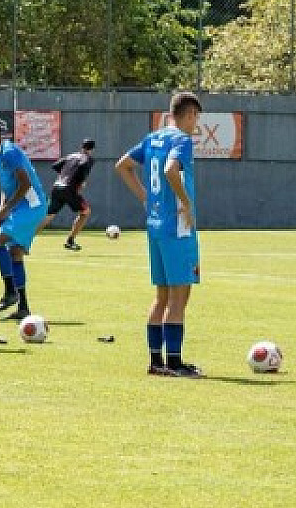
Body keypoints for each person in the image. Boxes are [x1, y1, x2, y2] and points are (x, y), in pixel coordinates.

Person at [115, 91, 204, 378]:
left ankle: (156, 361)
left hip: (154, 224)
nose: (196, 124)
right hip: (177, 227)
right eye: (196, 118)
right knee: (180, 295)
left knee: (162, 296)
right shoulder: (182, 140)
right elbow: (170, 170)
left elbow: (123, 166)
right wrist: (187, 204)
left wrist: (146, 197)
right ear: (189, 115)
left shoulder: (153, 138)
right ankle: (175, 363)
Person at [0, 118, 48, 322]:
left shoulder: (9, 152)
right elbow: (7, 185)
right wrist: (2, 204)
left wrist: (7, 208)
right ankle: (23, 306)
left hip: (32, 207)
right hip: (22, 207)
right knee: (15, 253)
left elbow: (24, 184)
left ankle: (10, 292)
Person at [40, 139, 97, 250]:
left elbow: (55, 166)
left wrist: (65, 174)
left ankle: (25, 237)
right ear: (92, 149)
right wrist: (81, 182)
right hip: (69, 188)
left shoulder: (71, 156)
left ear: (82, 147)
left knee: (49, 215)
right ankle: (70, 241)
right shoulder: (88, 159)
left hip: (57, 186)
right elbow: (83, 166)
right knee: (85, 212)